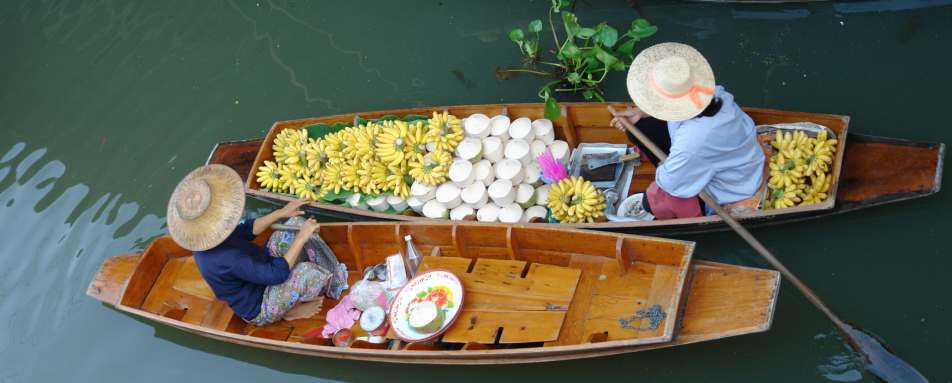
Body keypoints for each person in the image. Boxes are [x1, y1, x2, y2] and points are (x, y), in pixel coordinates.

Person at [166, 164, 342, 326]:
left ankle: (322, 273)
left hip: (261, 267)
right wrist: (302, 238)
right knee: (306, 272)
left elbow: (247, 230)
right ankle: (290, 311)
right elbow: (277, 274)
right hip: (261, 303)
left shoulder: (210, 236)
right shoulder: (227, 259)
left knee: (295, 223)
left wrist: (281, 212)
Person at [611, 42, 765, 220]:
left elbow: (669, 183)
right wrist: (641, 112)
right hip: (714, 153)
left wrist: (667, 166)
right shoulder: (711, 92)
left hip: (730, 185)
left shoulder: (693, 140)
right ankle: (677, 166)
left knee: (652, 202)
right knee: (639, 128)